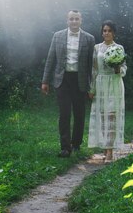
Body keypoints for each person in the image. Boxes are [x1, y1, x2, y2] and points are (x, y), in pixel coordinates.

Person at [41, 10, 95, 157]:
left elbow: (92, 64)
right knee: (64, 114)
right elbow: (50, 58)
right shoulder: (57, 36)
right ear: (67, 20)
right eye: (71, 19)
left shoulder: (89, 39)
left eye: (76, 19)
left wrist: (93, 85)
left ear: (81, 20)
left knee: (79, 114)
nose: (74, 21)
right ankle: (65, 148)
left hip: (80, 80)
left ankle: (76, 144)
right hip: (62, 79)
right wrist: (45, 81)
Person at [88, 20, 126, 161]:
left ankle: (110, 151)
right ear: (102, 33)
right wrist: (92, 88)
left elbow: (124, 68)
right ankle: (105, 146)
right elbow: (94, 69)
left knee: (112, 116)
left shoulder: (119, 48)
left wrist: (118, 68)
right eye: (104, 30)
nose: (107, 33)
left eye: (109, 30)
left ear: (114, 33)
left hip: (114, 83)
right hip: (101, 84)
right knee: (103, 117)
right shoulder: (97, 48)